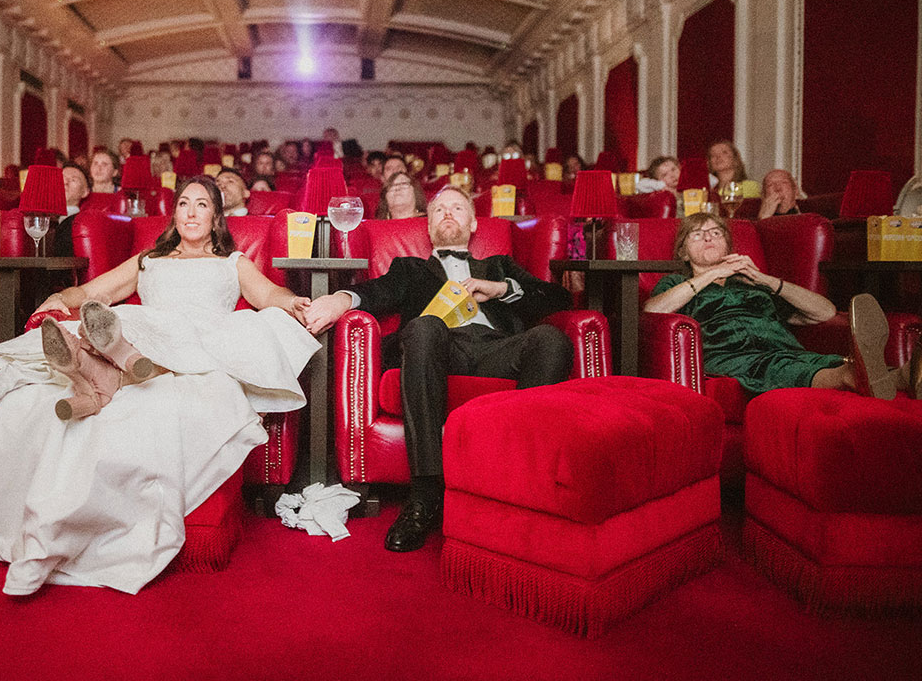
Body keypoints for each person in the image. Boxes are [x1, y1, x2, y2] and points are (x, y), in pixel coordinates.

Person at [0, 176, 319, 596]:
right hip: (144, 331)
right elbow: (93, 291)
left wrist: (290, 301)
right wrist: (61, 299)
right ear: (174, 213)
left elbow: (268, 293)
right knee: (35, 390)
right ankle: (105, 369)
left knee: (162, 350)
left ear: (217, 216)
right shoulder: (148, 259)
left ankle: (103, 373)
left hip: (200, 337)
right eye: (184, 203)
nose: (192, 212)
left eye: (202, 205)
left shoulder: (231, 261)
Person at [305, 186, 574, 552]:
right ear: (428, 226)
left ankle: (522, 490)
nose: (447, 214)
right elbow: (376, 291)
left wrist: (498, 289)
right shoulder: (410, 268)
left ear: (474, 222)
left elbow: (557, 299)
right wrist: (340, 299)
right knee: (424, 326)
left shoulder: (499, 266)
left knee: (550, 340)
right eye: (438, 210)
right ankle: (425, 494)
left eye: (457, 208)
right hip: (437, 350)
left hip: (498, 349)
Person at [643, 212, 920, 400]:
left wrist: (764, 279)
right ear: (682, 251)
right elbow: (653, 311)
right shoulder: (675, 283)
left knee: (811, 361)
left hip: (784, 349)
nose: (708, 237)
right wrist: (709, 276)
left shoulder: (754, 285)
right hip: (734, 359)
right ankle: (853, 375)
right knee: (783, 367)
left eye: (716, 232)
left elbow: (824, 312)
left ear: (728, 246)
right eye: (697, 234)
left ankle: (903, 375)